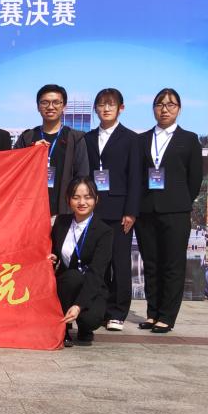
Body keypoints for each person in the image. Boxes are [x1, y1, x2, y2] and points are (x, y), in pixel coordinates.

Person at [134, 88, 203, 333]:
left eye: (170, 105)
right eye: (160, 105)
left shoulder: (189, 139)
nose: (165, 109)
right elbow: (137, 176)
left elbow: (194, 178)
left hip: (176, 211)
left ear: (179, 109)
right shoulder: (142, 139)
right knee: (151, 264)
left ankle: (166, 316)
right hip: (146, 211)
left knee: (172, 264)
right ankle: (152, 313)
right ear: (153, 108)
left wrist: (180, 200)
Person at [83, 88, 140, 331]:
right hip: (93, 210)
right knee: (99, 262)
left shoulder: (131, 139)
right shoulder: (87, 138)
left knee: (120, 262)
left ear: (121, 108)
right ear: (95, 108)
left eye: (111, 104)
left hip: (119, 212)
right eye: (101, 104)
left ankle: (118, 312)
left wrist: (131, 212)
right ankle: (100, 309)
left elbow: (135, 178)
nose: (106, 109)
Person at [49, 178, 113, 347]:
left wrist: (78, 306)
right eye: (76, 197)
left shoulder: (104, 232)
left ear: (96, 199)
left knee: (91, 319)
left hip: (92, 284)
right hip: (67, 283)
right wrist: (54, 257)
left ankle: (84, 327)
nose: (82, 202)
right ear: (68, 199)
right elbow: (55, 250)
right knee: (72, 277)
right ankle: (63, 327)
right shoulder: (61, 223)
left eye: (87, 197)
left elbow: (97, 273)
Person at [14, 84, 89, 217]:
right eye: (45, 102)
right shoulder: (27, 137)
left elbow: (82, 175)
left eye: (56, 102)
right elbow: (14, 169)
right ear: (38, 107)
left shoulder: (75, 138)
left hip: (63, 212)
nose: (50, 107)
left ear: (64, 106)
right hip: (30, 211)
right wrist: (30, 152)